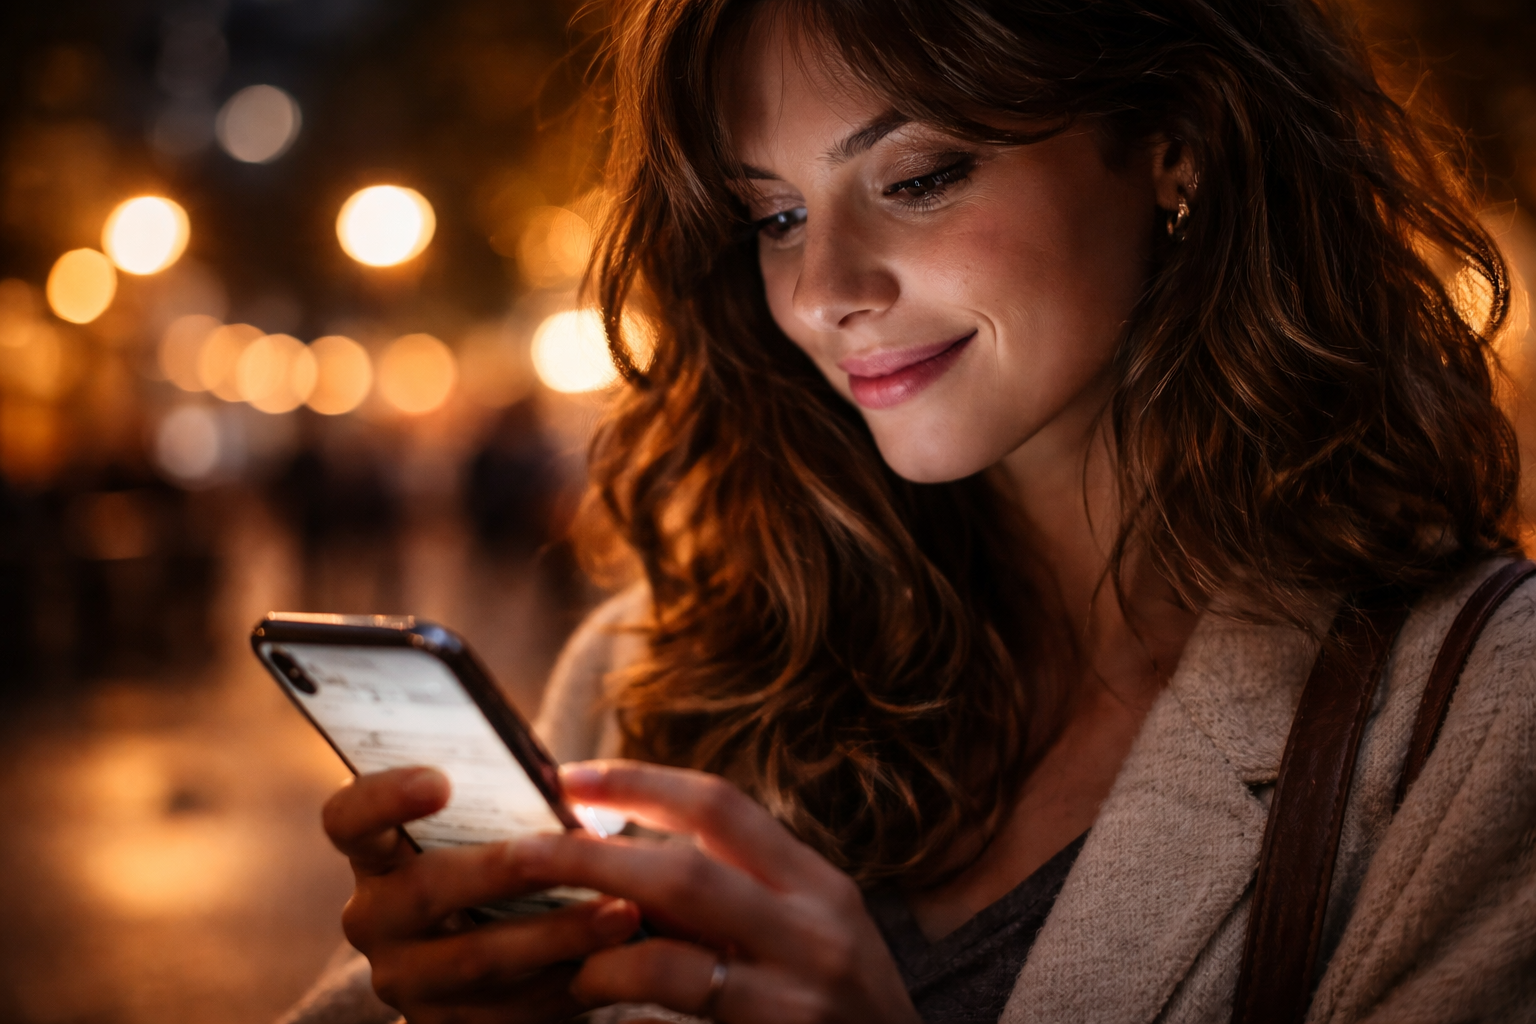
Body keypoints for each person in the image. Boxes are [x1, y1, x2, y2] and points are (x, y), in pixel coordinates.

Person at [282, 0, 1536, 1021]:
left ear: (1175, 140)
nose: (824, 291)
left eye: (921, 177)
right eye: (773, 215)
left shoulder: (1473, 717)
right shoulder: (669, 657)